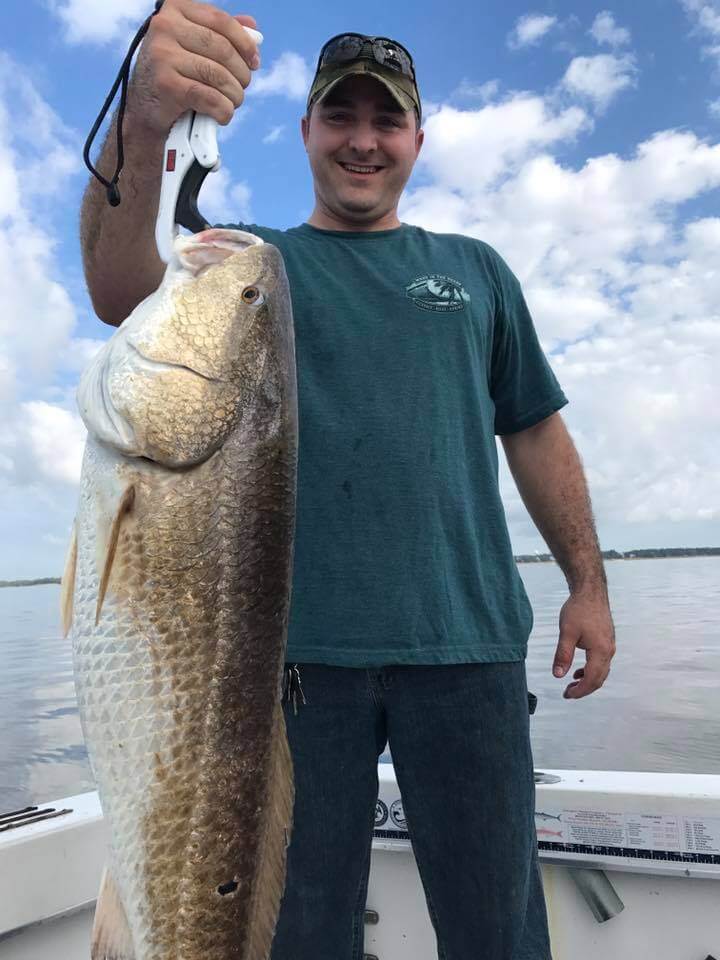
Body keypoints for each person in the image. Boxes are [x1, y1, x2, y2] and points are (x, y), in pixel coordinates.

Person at [80, 3, 616, 958]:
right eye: (341, 117)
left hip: (470, 654)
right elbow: (120, 288)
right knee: (297, 934)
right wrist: (144, 122)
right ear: (307, 131)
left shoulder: (476, 273)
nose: (362, 141)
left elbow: (535, 433)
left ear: (417, 137)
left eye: (385, 120)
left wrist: (588, 584)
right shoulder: (250, 267)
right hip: (287, 672)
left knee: (499, 930)